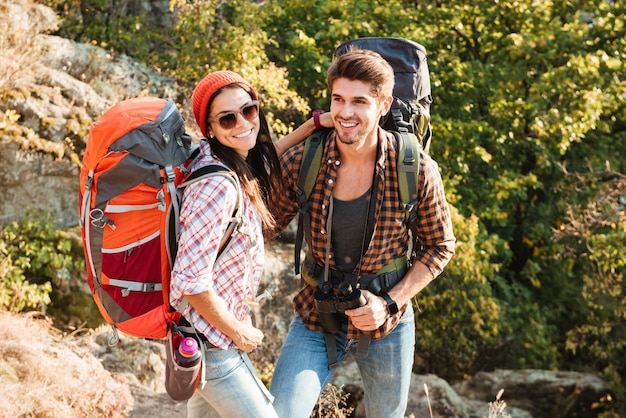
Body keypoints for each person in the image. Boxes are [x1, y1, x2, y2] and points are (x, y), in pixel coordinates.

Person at [269, 48, 456, 418]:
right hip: (316, 310)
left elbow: (440, 246)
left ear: (384, 105)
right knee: (281, 413)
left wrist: (389, 302)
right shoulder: (305, 161)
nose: (346, 113)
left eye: (359, 101)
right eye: (338, 100)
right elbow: (259, 222)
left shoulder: (415, 169)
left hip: (389, 321)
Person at [169, 70, 331, 418]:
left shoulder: (226, 161)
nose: (242, 123)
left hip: (204, 337)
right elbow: (190, 280)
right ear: (209, 128)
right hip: (212, 343)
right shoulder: (218, 187)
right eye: (227, 118)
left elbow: (266, 154)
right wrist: (238, 330)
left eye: (249, 110)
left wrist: (315, 124)